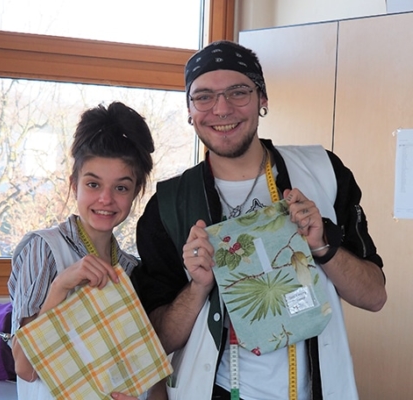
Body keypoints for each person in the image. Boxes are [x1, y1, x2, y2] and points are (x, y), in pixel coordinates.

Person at [132, 40, 387, 400]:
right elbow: (156, 340)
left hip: (319, 389)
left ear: (262, 99)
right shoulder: (170, 204)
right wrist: (199, 287)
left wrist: (323, 247)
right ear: (190, 110)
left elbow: (375, 295)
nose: (221, 109)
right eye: (203, 96)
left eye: (238, 92)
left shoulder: (323, 172)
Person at [8, 101, 158, 400]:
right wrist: (60, 286)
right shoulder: (45, 249)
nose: (105, 199)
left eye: (121, 188)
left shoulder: (130, 269)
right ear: (74, 184)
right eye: (93, 184)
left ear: (137, 192)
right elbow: (25, 367)